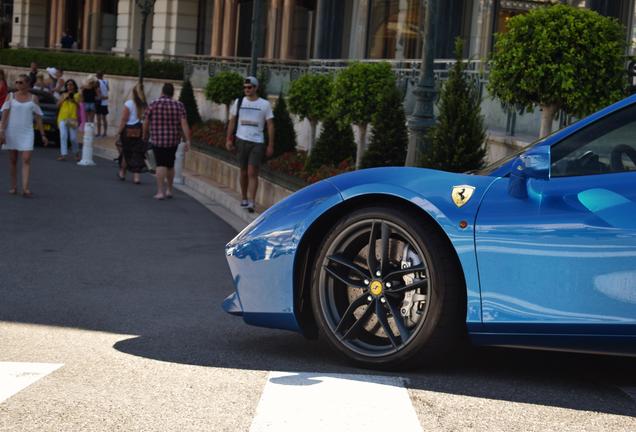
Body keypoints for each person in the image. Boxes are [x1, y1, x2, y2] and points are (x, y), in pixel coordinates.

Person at [225, 76, 274, 213]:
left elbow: (270, 125)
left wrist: (270, 144)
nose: (247, 89)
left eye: (250, 87)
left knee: (252, 171)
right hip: (241, 140)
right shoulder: (239, 102)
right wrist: (229, 139)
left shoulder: (264, 104)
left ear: (256, 88)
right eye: (245, 87)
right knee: (243, 171)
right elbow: (232, 121)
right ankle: (244, 197)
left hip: (257, 142)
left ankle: (252, 201)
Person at [0, 74, 49, 197]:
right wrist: (2, 131)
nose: (18, 84)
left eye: (21, 82)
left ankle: (25, 188)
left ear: (27, 84)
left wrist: (43, 135)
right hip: (12, 131)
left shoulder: (34, 98)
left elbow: (38, 118)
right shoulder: (10, 96)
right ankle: (13, 186)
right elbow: (4, 115)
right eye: (16, 82)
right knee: (13, 160)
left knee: (26, 159)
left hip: (27, 132)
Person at [143, 83, 191, 200]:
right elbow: (184, 124)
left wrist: (144, 135)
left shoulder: (153, 104)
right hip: (173, 140)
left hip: (157, 139)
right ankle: (169, 189)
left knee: (160, 164)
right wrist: (187, 140)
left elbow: (146, 122)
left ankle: (160, 192)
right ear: (173, 93)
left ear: (162, 92)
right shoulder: (179, 105)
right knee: (170, 165)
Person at [117, 82, 147, 184]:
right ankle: (136, 177)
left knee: (126, 152)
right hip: (139, 130)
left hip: (128, 131)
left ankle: (122, 172)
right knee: (137, 153)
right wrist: (145, 134)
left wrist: (119, 132)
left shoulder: (129, 104)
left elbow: (124, 119)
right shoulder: (144, 105)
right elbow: (145, 121)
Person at [56, 79, 80, 161]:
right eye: (68, 85)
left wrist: (73, 100)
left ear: (74, 86)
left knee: (73, 138)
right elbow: (57, 105)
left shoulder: (77, 95)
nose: (69, 86)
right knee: (63, 136)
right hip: (62, 117)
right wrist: (64, 98)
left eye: (71, 85)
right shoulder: (63, 94)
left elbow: (79, 106)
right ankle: (63, 154)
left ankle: (76, 153)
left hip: (72, 119)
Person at [96, 72, 109, 137]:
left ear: (97, 76)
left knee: (98, 118)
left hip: (99, 102)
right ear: (102, 76)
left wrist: (100, 96)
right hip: (105, 102)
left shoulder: (97, 82)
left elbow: (97, 92)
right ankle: (105, 133)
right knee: (104, 118)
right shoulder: (106, 82)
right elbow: (108, 89)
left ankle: (98, 133)